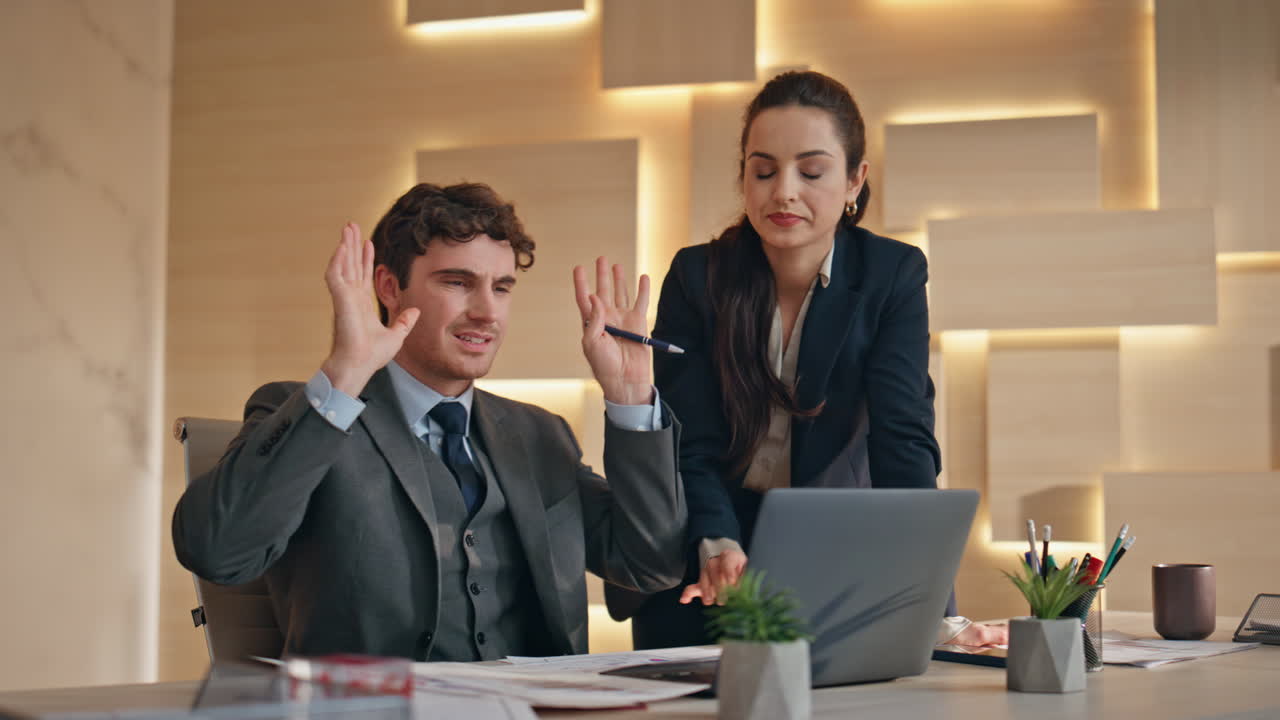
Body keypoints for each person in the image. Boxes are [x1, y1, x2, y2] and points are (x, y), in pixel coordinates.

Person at [173, 182, 686, 661]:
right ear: (389, 287)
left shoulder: (540, 434)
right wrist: (344, 376)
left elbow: (650, 566)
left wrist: (630, 400)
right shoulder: (310, 411)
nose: (487, 312)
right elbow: (219, 553)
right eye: (457, 282)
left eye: (501, 287)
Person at [607, 71, 1005, 649]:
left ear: (854, 179)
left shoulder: (891, 274)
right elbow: (688, 440)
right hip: (707, 554)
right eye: (763, 171)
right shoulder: (698, 275)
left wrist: (931, 608)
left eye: (811, 172)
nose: (783, 192)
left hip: (830, 553)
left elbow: (903, 441)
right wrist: (715, 539)